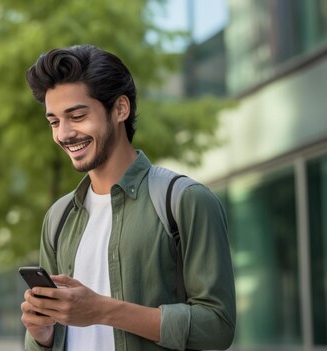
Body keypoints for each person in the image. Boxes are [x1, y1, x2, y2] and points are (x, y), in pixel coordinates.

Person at [20, 44, 236, 351]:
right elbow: (51, 339)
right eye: (54, 121)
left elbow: (218, 327)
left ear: (120, 109)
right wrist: (41, 334)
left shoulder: (185, 201)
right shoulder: (58, 217)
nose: (64, 134)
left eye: (77, 115)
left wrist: (102, 310)